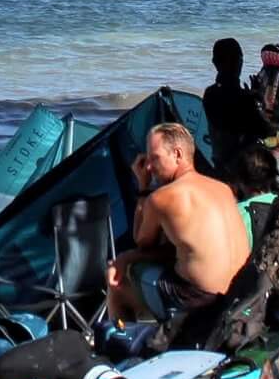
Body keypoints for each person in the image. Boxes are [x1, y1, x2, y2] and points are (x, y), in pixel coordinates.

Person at [106, 122, 251, 326]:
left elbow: (141, 241)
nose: (149, 167)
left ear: (177, 154)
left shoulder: (162, 197)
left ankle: (121, 339)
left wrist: (143, 186)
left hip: (200, 299)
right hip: (240, 294)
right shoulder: (224, 189)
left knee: (119, 281)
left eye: (155, 158)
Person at [202, 37, 261, 171]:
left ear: (214, 62)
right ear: (239, 62)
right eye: (239, 59)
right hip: (242, 168)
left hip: (219, 161)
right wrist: (257, 101)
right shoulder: (243, 98)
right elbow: (264, 130)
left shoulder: (210, 94)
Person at [252, 45, 279, 144]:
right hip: (273, 114)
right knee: (275, 142)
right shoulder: (274, 71)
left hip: (269, 115)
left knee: (271, 143)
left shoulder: (269, 71)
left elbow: (269, 94)